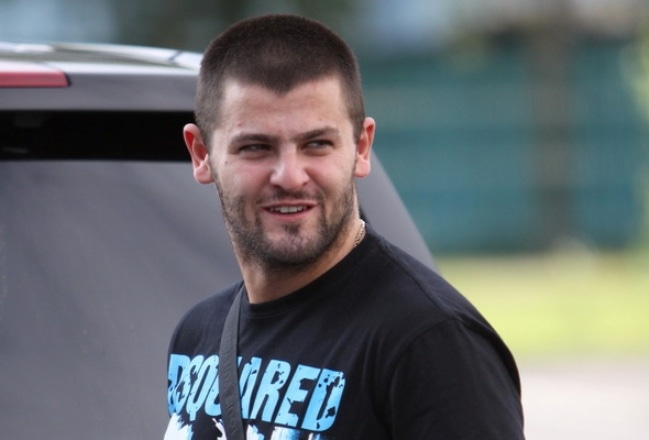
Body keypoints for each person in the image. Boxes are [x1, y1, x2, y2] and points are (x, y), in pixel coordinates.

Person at [164, 14, 525, 440]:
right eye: (256, 147)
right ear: (201, 154)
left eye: (317, 144)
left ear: (361, 147)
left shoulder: (429, 343)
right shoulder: (197, 335)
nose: (290, 176)